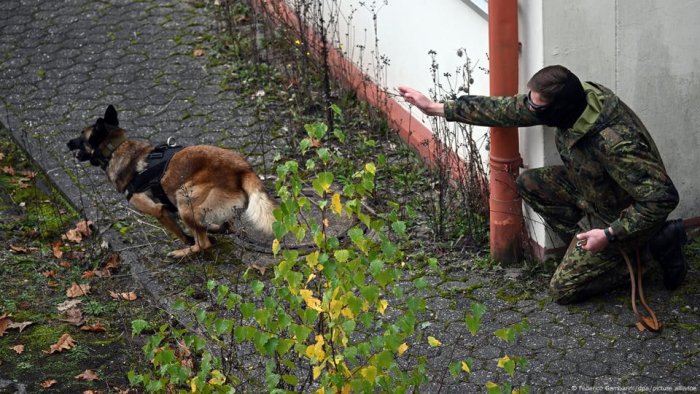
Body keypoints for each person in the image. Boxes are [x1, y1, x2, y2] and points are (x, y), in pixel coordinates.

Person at [398, 65, 688, 304]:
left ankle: (651, 248)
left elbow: (662, 197)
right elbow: (509, 109)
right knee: (530, 183)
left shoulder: (614, 143)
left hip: (625, 217)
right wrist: (434, 107)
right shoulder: (576, 101)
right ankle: (593, 247)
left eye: (538, 107)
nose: (530, 109)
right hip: (594, 189)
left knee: (562, 290)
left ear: (558, 109)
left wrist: (611, 234)